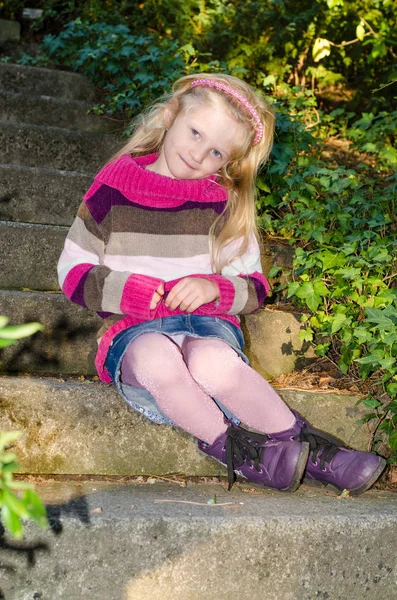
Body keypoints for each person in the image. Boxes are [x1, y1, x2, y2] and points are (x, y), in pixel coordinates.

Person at [58, 73, 386, 494]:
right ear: (170, 115)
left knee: (213, 363)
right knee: (158, 356)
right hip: (134, 332)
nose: (197, 154)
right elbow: (72, 270)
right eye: (195, 133)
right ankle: (242, 452)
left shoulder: (224, 204)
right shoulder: (113, 187)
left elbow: (254, 286)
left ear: (228, 161)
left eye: (215, 151)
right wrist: (131, 290)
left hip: (205, 328)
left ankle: (308, 447)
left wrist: (217, 288)